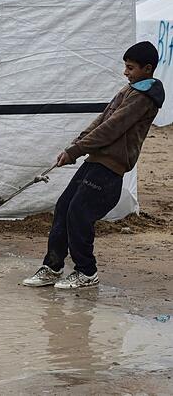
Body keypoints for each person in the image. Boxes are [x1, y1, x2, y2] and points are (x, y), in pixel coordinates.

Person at [23, 41, 165, 289]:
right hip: (95, 159)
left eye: (130, 68)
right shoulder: (128, 90)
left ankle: (86, 272)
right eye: (126, 67)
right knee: (64, 206)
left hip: (111, 166)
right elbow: (102, 119)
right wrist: (75, 146)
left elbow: (112, 128)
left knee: (79, 213)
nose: (126, 72)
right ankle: (53, 266)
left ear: (148, 68)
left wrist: (77, 150)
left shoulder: (143, 98)